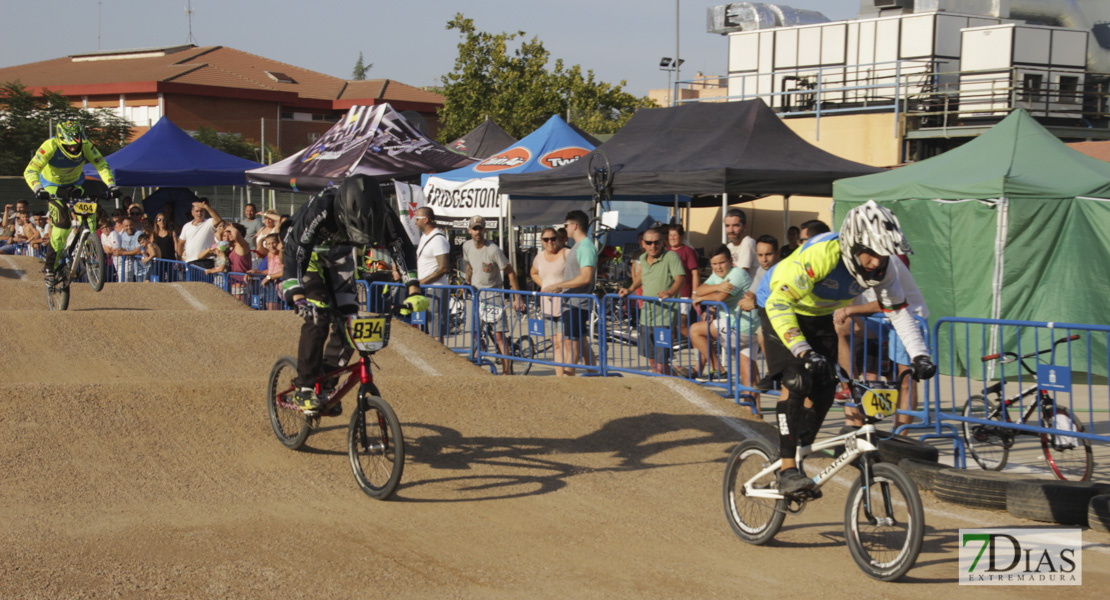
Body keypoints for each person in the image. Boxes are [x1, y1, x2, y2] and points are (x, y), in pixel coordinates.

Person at [755, 200, 936, 495]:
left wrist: (919, 355)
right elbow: (779, 303)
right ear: (852, 245)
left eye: (882, 254)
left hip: (818, 314)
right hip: (778, 306)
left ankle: (797, 450)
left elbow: (899, 311)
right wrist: (802, 350)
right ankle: (787, 468)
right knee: (798, 377)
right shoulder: (822, 255)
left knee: (825, 389)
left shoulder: (885, 268)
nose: (876, 262)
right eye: (871, 254)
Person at [281, 174, 423, 415]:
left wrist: (414, 289)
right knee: (318, 317)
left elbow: (400, 246)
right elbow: (297, 249)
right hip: (309, 259)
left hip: (340, 260)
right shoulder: (324, 205)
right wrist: (296, 293)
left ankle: (325, 383)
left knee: (350, 323)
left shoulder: (384, 211)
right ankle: (304, 387)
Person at [834, 255, 929, 434]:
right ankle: (851, 386)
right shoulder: (851, 262)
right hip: (878, 319)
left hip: (907, 318)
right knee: (841, 326)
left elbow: (889, 303)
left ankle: (901, 434)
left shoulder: (887, 263)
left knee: (905, 379)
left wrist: (849, 310)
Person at [23, 120, 120, 283]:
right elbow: (31, 170)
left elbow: (101, 165)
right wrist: (38, 189)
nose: (74, 148)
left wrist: (111, 185)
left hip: (75, 185)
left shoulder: (87, 145)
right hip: (52, 187)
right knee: (62, 227)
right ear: (61, 141)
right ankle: (50, 267)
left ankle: (90, 251)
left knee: (90, 218)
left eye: (77, 145)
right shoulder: (50, 146)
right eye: (69, 146)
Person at [618, 226, 685, 375]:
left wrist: (670, 292)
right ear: (643, 243)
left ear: (663, 242)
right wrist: (630, 289)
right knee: (653, 363)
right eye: (649, 242)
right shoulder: (642, 258)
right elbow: (642, 276)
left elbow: (680, 277)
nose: (653, 246)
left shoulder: (671, 257)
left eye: (657, 242)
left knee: (661, 364)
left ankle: (675, 387)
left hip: (664, 318)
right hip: (646, 317)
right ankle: (667, 388)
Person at [463, 215, 523, 375]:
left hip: (493, 295)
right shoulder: (467, 246)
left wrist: (517, 297)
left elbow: (510, 272)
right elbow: (469, 264)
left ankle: (506, 371)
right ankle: (477, 365)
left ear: (485, 230)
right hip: (475, 295)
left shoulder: (493, 249)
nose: (477, 232)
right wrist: (467, 280)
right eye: (474, 228)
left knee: (499, 336)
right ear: (469, 230)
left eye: (480, 228)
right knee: (475, 333)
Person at [541, 210, 598, 376]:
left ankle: (568, 383)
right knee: (582, 344)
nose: (564, 228)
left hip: (577, 304)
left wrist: (559, 286)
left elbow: (586, 277)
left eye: (566, 225)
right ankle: (596, 377)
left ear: (574, 226)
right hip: (572, 303)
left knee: (571, 347)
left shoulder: (586, 246)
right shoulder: (578, 247)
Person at [690, 245, 752, 384]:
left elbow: (720, 298)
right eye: (714, 264)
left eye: (722, 263)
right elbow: (699, 290)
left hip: (741, 324)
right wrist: (717, 287)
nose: (718, 267)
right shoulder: (717, 275)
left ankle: (718, 370)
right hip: (737, 324)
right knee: (748, 373)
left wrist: (704, 298)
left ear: (731, 261)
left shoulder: (737, 273)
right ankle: (749, 403)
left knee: (695, 330)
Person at [530, 226, 568, 375]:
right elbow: (533, 272)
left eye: (553, 238)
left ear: (558, 239)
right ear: (542, 241)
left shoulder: (566, 254)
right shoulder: (539, 257)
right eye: (546, 239)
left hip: (565, 304)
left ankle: (571, 373)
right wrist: (545, 286)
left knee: (565, 341)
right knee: (556, 343)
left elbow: (579, 275)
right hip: (548, 305)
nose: (550, 242)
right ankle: (560, 375)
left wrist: (562, 287)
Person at [414, 206, 451, 342]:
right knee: (426, 330)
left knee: (436, 331)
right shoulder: (425, 237)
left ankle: (440, 361)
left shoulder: (438, 239)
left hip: (436, 289)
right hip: (426, 290)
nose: (415, 222)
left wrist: (422, 282)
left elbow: (443, 268)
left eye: (417, 219)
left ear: (426, 219)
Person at [667, 225, 700, 368]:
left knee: (681, 325)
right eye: (670, 236)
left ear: (681, 236)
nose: (673, 238)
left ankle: (700, 348)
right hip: (667, 294)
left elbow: (695, 273)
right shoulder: (665, 252)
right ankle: (668, 356)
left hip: (684, 295)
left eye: (675, 235)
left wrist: (694, 292)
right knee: (668, 326)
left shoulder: (688, 251)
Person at [178, 201, 222, 270]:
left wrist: (206, 206)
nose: (199, 213)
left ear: (204, 212)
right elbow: (180, 243)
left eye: (201, 211)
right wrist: (179, 260)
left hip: (206, 261)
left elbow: (218, 219)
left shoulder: (209, 222)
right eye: (197, 211)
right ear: (192, 212)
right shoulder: (186, 226)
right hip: (190, 262)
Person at [724, 208, 757, 280]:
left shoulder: (748, 242)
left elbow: (742, 274)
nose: (730, 230)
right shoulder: (729, 246)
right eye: (727, 226)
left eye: (735, 225)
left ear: (745, 227)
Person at [111, 216, 144, 281]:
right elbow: (125, 249)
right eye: (126, 226)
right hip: (130, 267)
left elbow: (139, 251)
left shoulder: (139, 234)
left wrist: (122, 253)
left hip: (141, 268)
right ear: (123, 227)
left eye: (131, 225)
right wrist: (118, 250)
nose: (129, 228)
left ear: (134, 225)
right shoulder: (124, 235)